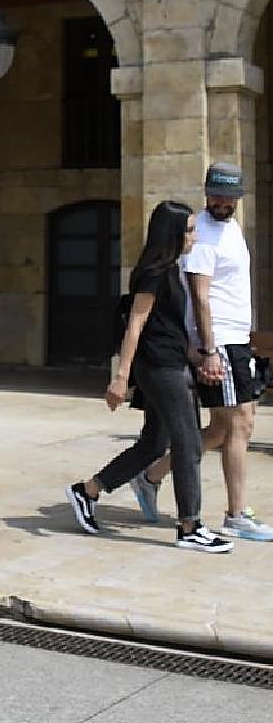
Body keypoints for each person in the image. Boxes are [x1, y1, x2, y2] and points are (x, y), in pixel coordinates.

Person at [64, 200, 232, 552]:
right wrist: (120, 377)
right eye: (189, 230)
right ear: (172, 234)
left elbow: (168, 327)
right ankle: (190, 526)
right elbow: (136, 325)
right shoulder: (155, 273)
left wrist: (200, 357)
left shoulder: (172, 270)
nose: (195, 236)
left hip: (172, 363)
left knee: (155, 443)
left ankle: (88, 491)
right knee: (188, 443)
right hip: (160, 368)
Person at [139, 163, 273, 540]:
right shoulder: (202, 234)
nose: (222, 203)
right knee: (238, 424)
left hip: (236, 339)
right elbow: (200, 296)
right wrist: (209, 350)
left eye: (229, 197)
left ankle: (151, 476)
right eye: (217, 195)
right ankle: (236, 514)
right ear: (206, 192)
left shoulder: (231, 228)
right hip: (219, 342)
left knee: (223, 428)